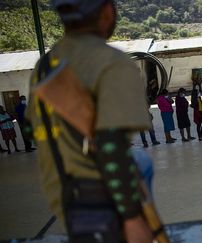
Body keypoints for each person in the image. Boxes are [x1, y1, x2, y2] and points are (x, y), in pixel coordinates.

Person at [26, 0, 155, 242]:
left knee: (141, 160)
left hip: (60, 194)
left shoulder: (43, 67)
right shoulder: (112, 62)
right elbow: (112, 148)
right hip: (98, 203)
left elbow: (31, 130)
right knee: (138, 160)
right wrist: (132, 219)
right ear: (106, 12)